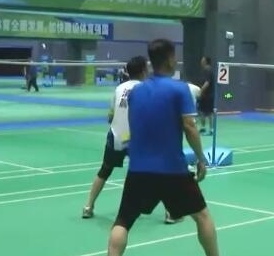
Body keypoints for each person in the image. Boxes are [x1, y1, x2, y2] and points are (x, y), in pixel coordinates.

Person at [106, 39, 218, 256]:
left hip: (138, 170)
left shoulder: (135, 92)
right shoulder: (180, 89)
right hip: (173, 170)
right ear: (169, 59)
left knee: (123, 221)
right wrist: (201, 159)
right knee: (202, 216)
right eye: (174, 56)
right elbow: (189, 127)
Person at [83, 56, 181, 223]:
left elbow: (110, 117)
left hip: (116, 136)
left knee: (105, 170)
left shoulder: (119, 89)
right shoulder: (147, 89)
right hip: (138, 138)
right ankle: (170, 213)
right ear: (143, 71)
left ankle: (88, 206)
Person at [198, 57, 215, 136]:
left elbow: (207, 83)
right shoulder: (204, 70)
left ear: (205, 61)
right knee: (202, 111)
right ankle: (203, 128)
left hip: (208, 95)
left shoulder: (208, 70)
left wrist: (200, 91)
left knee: (209, 112)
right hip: (204, 96)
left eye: (202, 60)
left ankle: (211, 129)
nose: (201, 61)